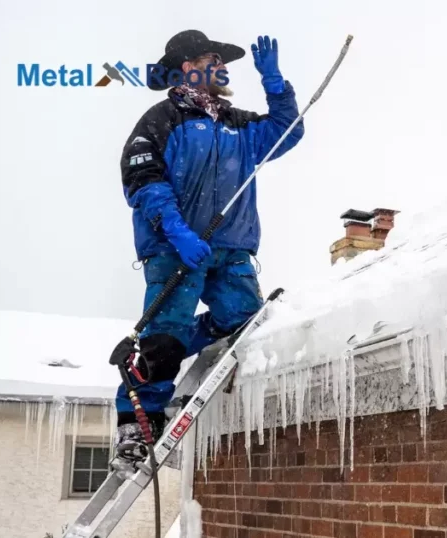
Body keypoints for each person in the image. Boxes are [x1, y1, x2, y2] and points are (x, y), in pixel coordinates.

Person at [114, 30, 304, 458]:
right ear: (188, 67)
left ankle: (182, 344)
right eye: (214, 59)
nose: (223, 68)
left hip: (231, 247)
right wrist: (177, 231)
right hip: (173, 248)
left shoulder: (241, 125)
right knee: (164, 336)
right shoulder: (161, 120)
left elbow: (287, 131)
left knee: (242, 319)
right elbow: (143, 180)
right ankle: (135, 425)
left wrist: (275, 84)